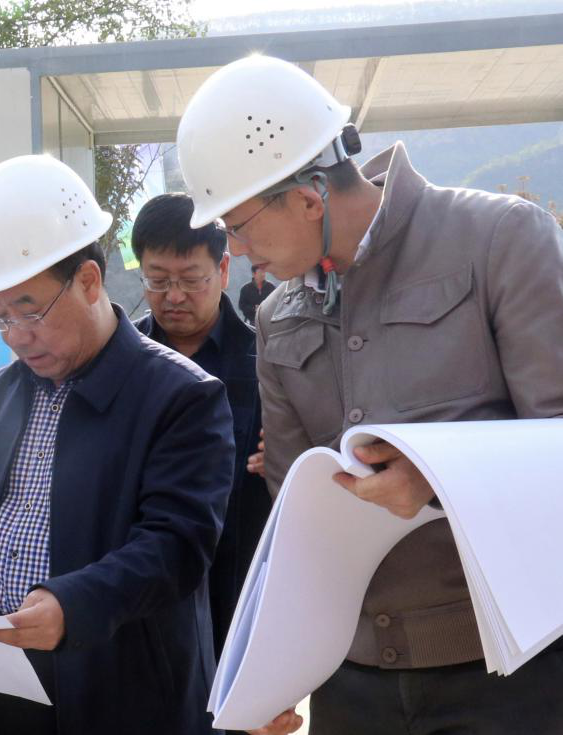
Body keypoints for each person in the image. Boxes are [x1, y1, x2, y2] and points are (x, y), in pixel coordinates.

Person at [177, 55, 563, 735]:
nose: (233, 251)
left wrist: (438, 478)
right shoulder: (276, 316)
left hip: (510, 673)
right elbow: (295, 522)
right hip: (353, 687)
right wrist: (272, 670)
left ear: (306, 198)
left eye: (236, 226)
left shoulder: (499, 240)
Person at [0, 155, 235, 735]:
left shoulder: (181, 396)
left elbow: (175, 546)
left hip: (121, 692)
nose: (16, 336)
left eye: (29, 310)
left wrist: (72, 605)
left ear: (87, 281)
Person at [130, 193, 272, 660]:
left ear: (224, 270)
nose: (173, 296)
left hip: (237, 596)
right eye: (157, 280)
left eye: (191, 280)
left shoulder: (266, 364)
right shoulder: (118, 366)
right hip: (137, 604)